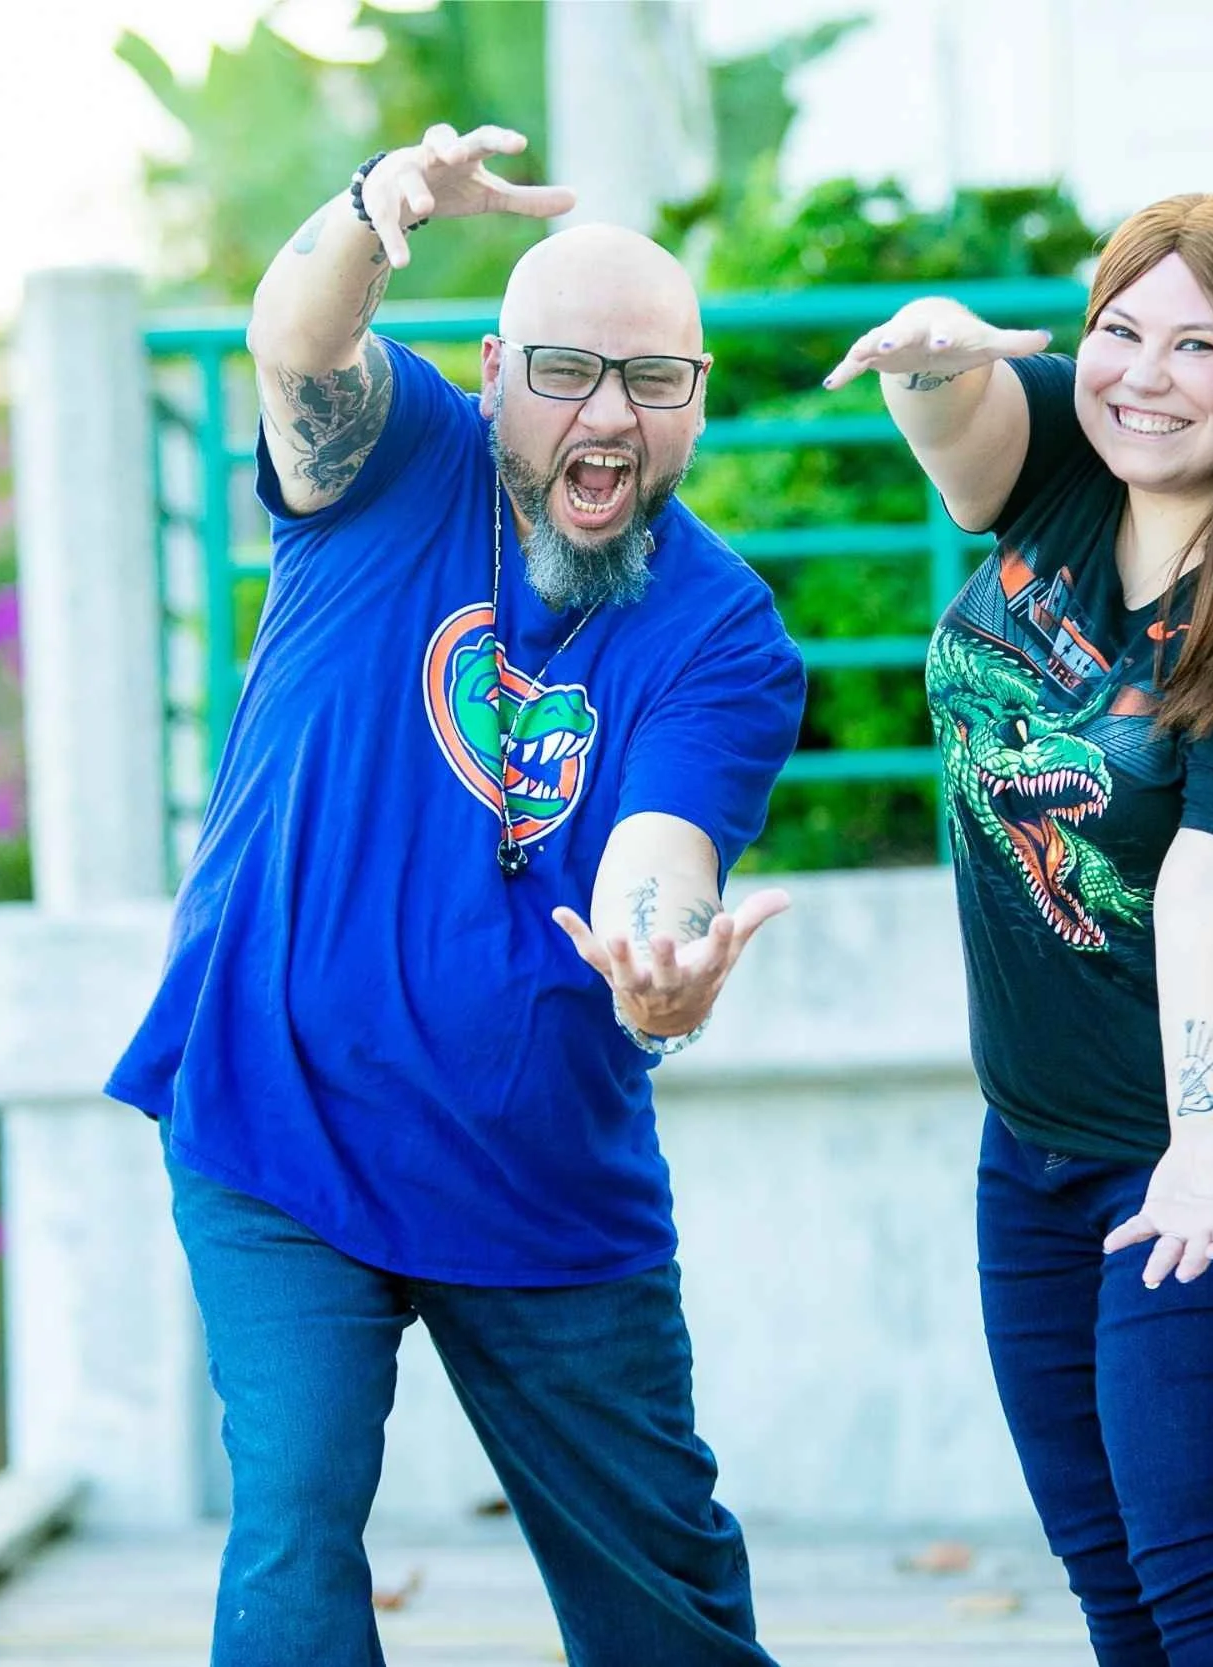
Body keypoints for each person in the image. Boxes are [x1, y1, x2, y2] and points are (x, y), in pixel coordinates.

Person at [106, 124, 805, 1666]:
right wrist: (375, 209)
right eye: (567, 372)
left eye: (656, 382)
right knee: (293, 1510)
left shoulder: (725, 635)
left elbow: (664, 848)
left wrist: (662, 955)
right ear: (491, 370)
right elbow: (293, 337)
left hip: (538, 1162)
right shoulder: (401, 459)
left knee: (662, 1597)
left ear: (698, 397)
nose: (609, 417)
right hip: (279, 1108)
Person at [823, 193, 1213, 1666]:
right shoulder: (1075, 448)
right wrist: (931, 361)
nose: (1143, 374)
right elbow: (963, 451)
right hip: (1042, 1133)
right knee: (1119, 1573)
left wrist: (1212, 1135)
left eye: (1198, 347)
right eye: (1118, 331)